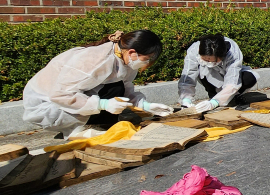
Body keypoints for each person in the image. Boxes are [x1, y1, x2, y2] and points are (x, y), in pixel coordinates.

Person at [22, 30, 172, 138]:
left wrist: (145, 106)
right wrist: (103, 105)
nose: (145, 65)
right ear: (132, 52)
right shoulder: (96, 60)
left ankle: (95, 126)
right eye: (145, 60)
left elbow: (126, 88)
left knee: (117, 87)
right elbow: (59, 94)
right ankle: (76, 130)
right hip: (47, 106)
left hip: (69, 98)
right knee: (114, 88)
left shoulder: (126, 61)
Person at [178, 34, 259, 112]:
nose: (209, 63)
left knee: (249, 78)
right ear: (199, 51)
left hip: (227, 74)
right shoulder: (194, 50)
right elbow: (188, 74)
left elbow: (232, 81)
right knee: (201, 71)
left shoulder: (233, 52)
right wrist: (186, 99)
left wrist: (214, 102)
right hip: (208, 75)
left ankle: (233, 96)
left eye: (214, 61)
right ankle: (213, 94)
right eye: (206, 60)